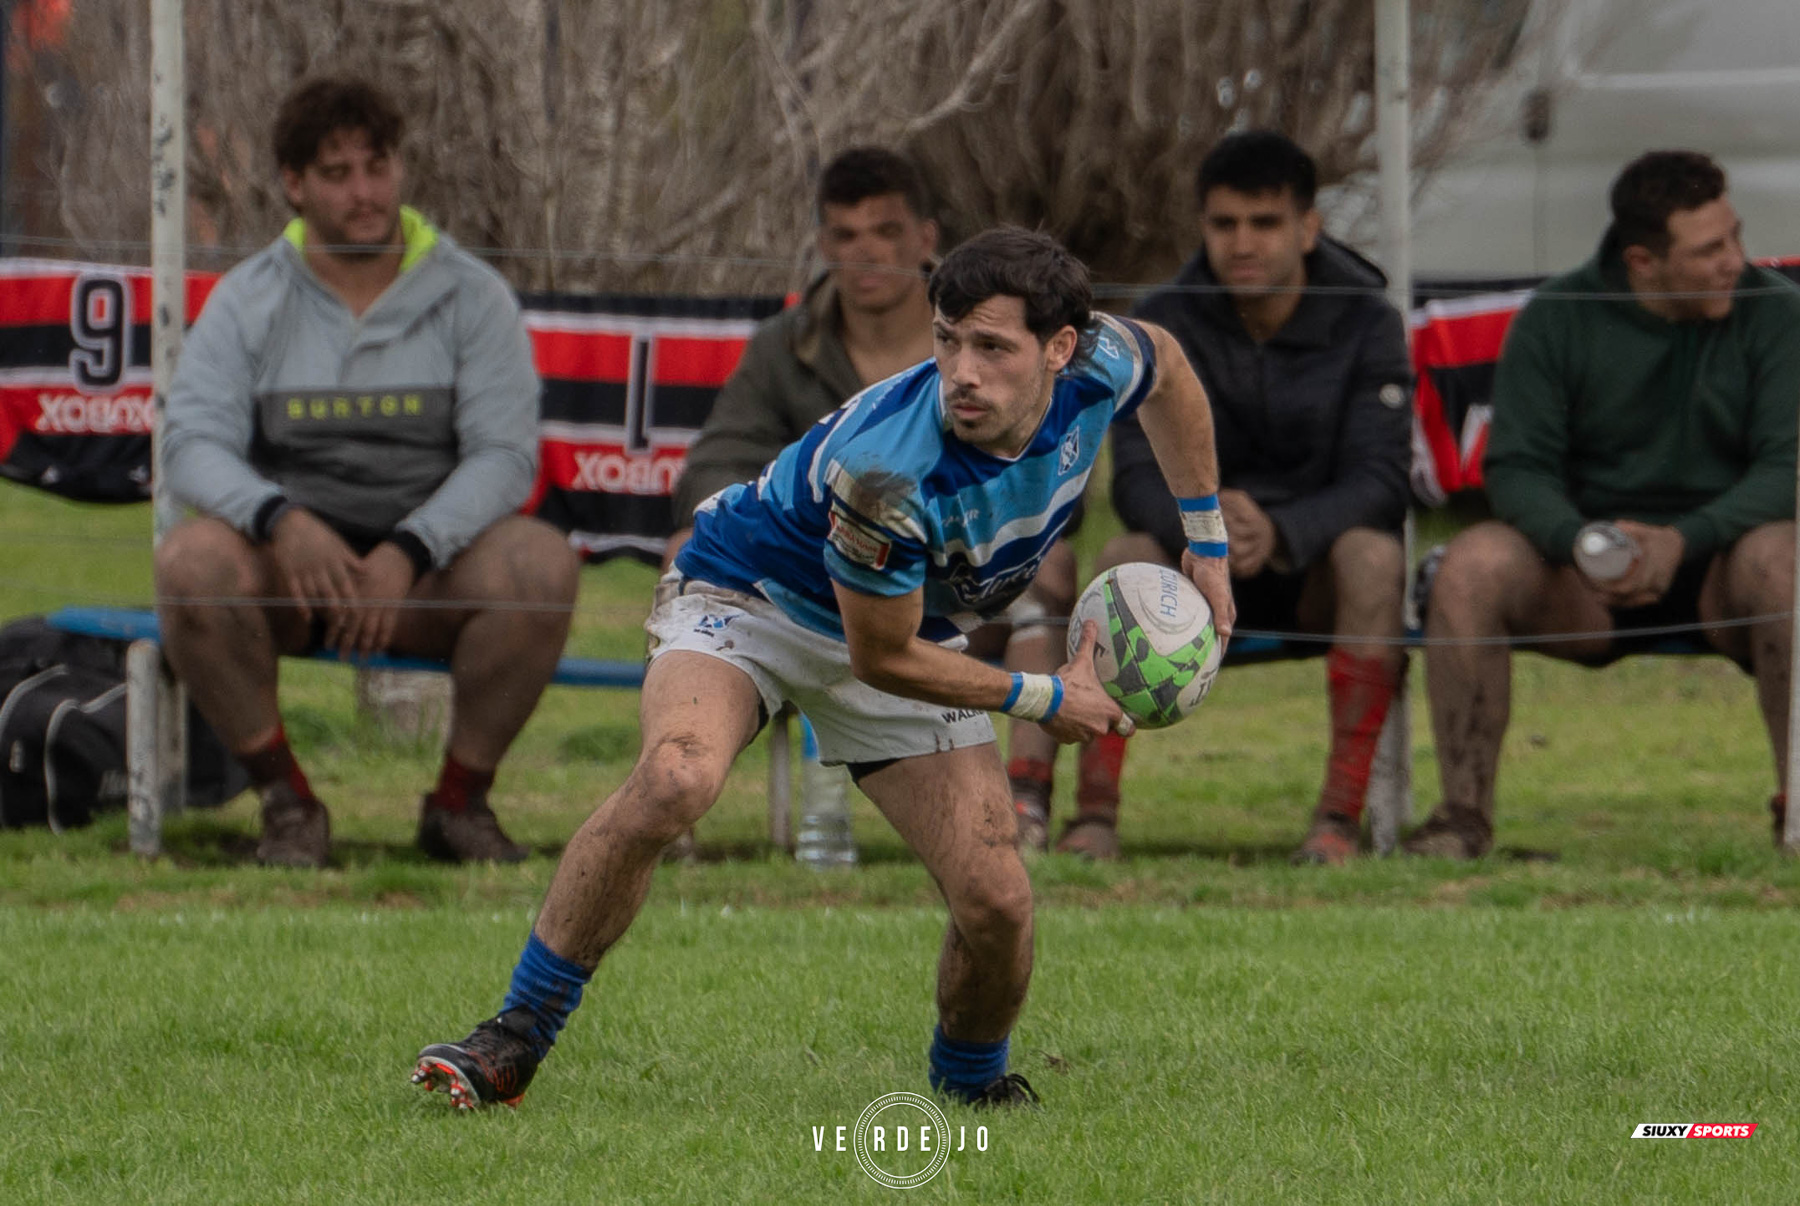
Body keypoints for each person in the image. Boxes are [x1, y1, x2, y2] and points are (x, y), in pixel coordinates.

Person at [410, 227, 1236, 1111]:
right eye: (947, 339)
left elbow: (1174, 369)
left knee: (997, 901)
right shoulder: (887, 471)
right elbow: (883, 659)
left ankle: (970, 1089)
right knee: (675, 778)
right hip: (748, 597)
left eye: (992, 347)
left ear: (1062, 350)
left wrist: (1207, 541)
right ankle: (514, 1033)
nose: (962, 371)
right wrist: (1041, 696)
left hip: (893, 624)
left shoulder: (1103, 363)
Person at [155, 76, 579, 868]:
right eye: (337, 173)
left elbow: (504, 456)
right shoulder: (249, 298)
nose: (364, 191)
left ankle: (459, 806)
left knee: (541, 563)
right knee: (190, 561)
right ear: (294, 184)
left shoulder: (471, 295)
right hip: (293, 573)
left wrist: (409, 551)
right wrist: (281, 522)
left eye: (377, 166)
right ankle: (288, 806)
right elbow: (190, 446)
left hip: (426, 577)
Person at [665, 146, 1080, 854]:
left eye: (885, 232)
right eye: (845, 236)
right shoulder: (783, 346)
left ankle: (1027, 800)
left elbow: (1053, 459)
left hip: (969, 570)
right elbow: (715, 463)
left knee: (1052, 573)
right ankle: (676, 802)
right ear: (823, 244)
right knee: (690, 547)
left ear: (925, 238)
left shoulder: (994, 338)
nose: (865, 253)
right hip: (819, 578)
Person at [1408, 149, 1800, 858]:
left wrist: (1686, 538)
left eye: (1735, 236)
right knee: (1469, 567)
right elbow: (1517, 468)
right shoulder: (1558, 316)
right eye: (1710, 249)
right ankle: (1461, 819)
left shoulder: (1777, 314)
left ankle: (1795, 811)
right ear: (1643, 262)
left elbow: (1788, 468)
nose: (1735, 262)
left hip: (1730, 567)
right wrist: (1584, 543)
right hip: (1586, 571)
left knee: (1786, 562)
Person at [1065, 130, 1412, 863]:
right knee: (1123, 553)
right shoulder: (1165, 319)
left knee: (1377, 561)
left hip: (1316, 569)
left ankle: (1338, 823)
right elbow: (1130, 480)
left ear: (1308, 227)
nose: (1242, 242)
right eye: (1224, 224)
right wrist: (1212, 536)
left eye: (1265, 223)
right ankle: (1092, 818)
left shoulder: (1368, 317)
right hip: (1192, 575)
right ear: (1202, 226)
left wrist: (1280, 531)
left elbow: (1383, 481)